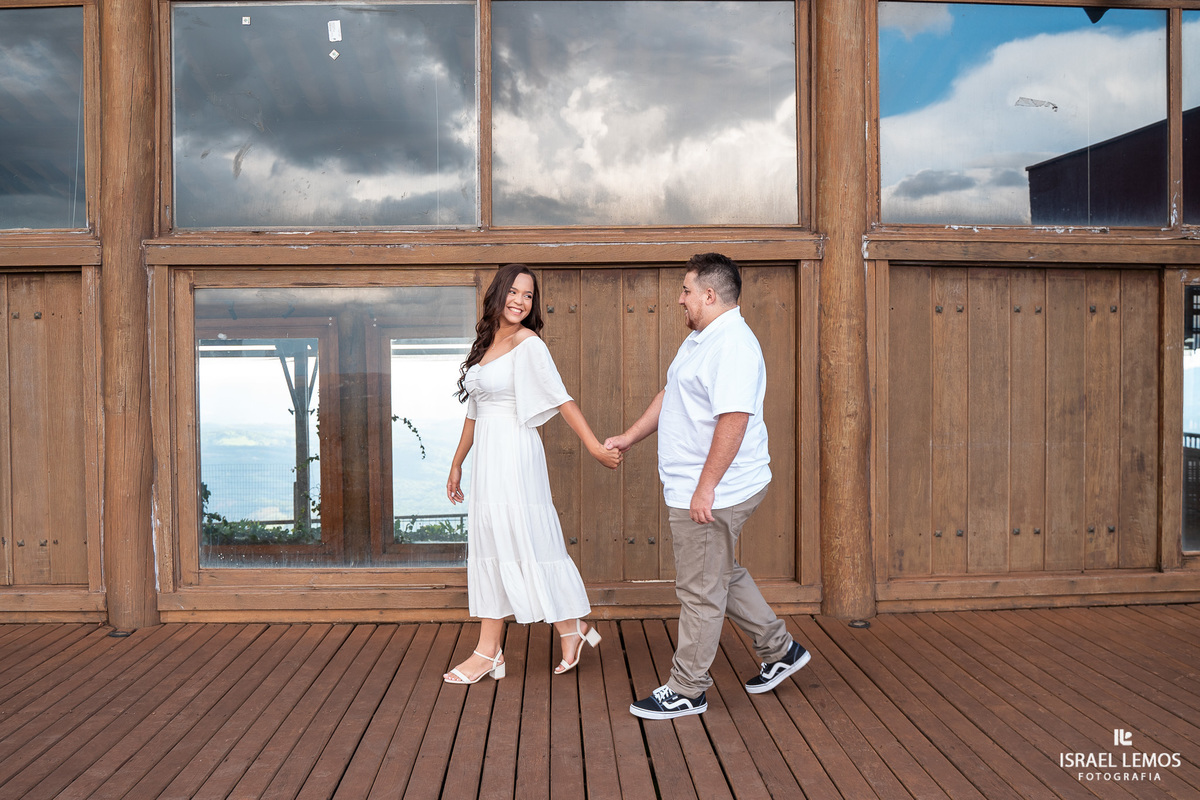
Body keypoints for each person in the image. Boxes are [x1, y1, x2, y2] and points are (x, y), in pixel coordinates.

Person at [605, 252, 811, 719]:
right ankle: (781, 651)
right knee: (719, 572)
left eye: (685, 290)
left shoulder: (732, 345)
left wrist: (705, 488)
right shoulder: (703, 338)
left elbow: (734, 420)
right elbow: (671, 393)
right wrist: (631, 436)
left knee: (700, 589)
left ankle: (688, 688)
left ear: (709, 295)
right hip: (703, 486)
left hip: (716, 490)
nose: (680, 299)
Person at [444, 263, 621, 685]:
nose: (521, 301)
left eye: (528, 295)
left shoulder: (529, 344)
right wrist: (456, 462)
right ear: (499, 292)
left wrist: (595, 445)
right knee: (491, 541)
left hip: (516, 452)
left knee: (524, 537)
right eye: (515, 292)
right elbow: (474, 412)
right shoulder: (487, 343)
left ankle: (498, 649)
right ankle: (561, 630)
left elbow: (561, 400)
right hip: (488, 455)